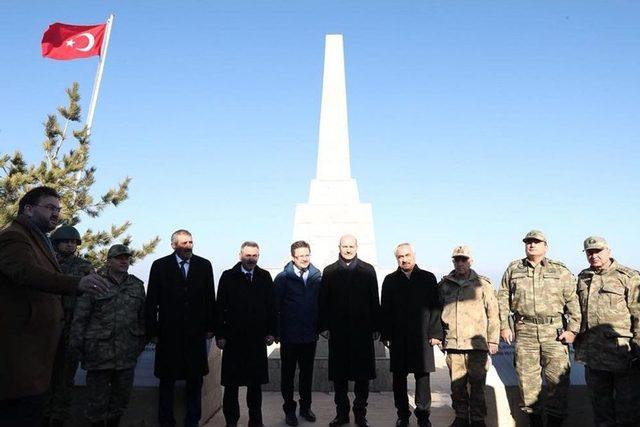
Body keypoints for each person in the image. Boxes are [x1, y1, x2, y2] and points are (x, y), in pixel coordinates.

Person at [0, 186, 109, 427]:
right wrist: (76, 283)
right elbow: (24, 272)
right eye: (49, 207)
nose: (55, 214)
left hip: (38, 353)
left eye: (58, 210)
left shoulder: (38, 239)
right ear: (28, 209)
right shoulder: (14, 236)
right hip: (20, 354)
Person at [497, 230, 580, 427]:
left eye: (536, 242)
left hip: (554, 333)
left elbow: (573, 301)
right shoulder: (514, 269)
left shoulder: (560, 271)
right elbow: (502, 298)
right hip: (525, 331)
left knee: (557, 382)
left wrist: (573, 330)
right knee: (527, 384)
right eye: (528, 242)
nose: (532, 245)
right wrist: (503, 326)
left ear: (545, 246)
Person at [145, 230, 216, 427]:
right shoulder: (160, 266)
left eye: (191, 242)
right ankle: (166, 421)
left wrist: (211, 326)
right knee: (167, 380)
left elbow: (210, 298)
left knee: (195, 380)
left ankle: (192, 420)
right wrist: (152, 332)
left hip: (195, 334)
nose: (188, 246)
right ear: (174, 245)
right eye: (184, 243)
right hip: (169, 334)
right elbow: (152, 301)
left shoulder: (204, 265)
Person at [70, 244, 146, 427]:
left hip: (126, 355)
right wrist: (78, 348)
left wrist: (138, 345)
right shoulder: (95, 283)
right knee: (96, 404)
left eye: (126, 258)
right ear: (109, 261)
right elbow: (80, 318)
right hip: (99, 355)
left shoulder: (136, 285)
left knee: (120, 402)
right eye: (119, 258)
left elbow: (143, 319)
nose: (124, 261)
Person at [574, 236, 640, 427]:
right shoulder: (583, 277)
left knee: (629, 410)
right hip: (594, 356)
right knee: (601, 410)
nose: (594, 256)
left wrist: (638, 348)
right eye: (589, 252)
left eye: (598, 251)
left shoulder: (628, 277)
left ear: (608, 251)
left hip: (623, 355)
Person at [318, 234, 380, 427]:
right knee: (339, 378)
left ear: (356, 247)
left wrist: (376, 327)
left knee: (362, 378)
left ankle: (360, 414)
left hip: (362, 333)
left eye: (351, 246)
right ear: (339, 247)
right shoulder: (329, 271)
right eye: (345, 246)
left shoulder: (368, 270)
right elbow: (323, 303)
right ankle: (342, 414)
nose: (348, 249)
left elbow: (373, 301)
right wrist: (324, 327)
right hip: (338, 333)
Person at [380, 243, 443, 427]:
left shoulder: (428, 278)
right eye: (400, 256)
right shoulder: (390, 280)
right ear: (396, 259)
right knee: (398, 379)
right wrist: (386, 335)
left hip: (423, 337)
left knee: (422, 378)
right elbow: (386, 310)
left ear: (414, 255)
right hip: (399, 338)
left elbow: (436, 308)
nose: (404, 259)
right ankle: (403, 415)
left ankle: (423, 415)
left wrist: (435, 333)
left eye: (407, 255)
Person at [216, 241, 277, 427]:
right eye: (248, 255)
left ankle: (255, 420)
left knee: (255, 385)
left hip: (256, 341)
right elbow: (219, 308)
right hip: (233, 341)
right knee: (231, 387)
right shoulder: (228, 277)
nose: (251, 259)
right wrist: (220, 335)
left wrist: (272, 332)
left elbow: (272, 307)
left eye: (255, 256)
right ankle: (231, 422)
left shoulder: (265, 276)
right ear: (240, 255)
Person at [439, 246, 499, 427]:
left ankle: (478, 419)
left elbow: (493, 313)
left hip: (477, 344)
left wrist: (493, 339)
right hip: (454, 344)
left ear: (470, 261)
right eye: (457, 260)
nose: (460, 263)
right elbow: (436, 312)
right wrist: (440, 338)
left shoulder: (483, 285)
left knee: (478, 384)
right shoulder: (444, 285)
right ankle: (461, 417)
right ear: (453, 262)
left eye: (463, 259)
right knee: (457, 386)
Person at [43, 225, 93, 427]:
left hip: (72, 327)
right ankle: (43, 414)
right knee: (43, 375)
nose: (70, 245)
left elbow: (90, 298)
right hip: (46, 326)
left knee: (65, 377)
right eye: (66, 241)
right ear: (56, 243)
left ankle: (59, 417)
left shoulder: (84, 267)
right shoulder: (46, 263)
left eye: (73, 242)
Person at [273, 240, 322, 426]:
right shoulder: (282, 278)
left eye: (307, 255)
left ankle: (305, 407)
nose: (304, 259)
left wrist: (320, 327)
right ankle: (289, 410)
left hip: (309, 335)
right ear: (293, 257)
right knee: (288, 375)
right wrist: (276, 332)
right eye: (301, 256)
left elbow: (322, 304)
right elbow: (275, 307)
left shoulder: (317, 277)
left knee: (306, 375)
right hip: (289, 336)